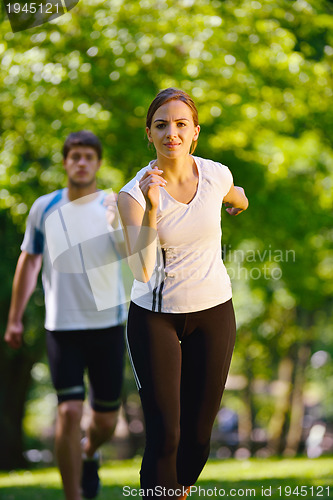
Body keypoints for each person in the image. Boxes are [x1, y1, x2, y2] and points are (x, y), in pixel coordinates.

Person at [118, 88, 249, 499]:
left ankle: (177, 491)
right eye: (161, 125)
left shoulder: (214, 174)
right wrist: (154, 209)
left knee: (197, 436)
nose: (171, 133)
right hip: (155, 317)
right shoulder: (132, 196)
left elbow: (233, 192)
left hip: (213, 312)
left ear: (195, 133)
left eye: (180, 125)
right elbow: (141, 269)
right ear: (149, 134)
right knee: (165, 433)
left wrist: (240, 200)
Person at [4, 131, 127, 500]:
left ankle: (89, 452)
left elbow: (133, 254)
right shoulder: (44, 207)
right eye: (75, 156)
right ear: (65, 162)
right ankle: (73, 495)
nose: (82, 162)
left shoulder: (113, 203)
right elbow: (29, 262)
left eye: (89, 156)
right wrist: (15, 317)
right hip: (62, 328)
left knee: (105, 421)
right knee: (69, 412)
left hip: (108, 325)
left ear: (98, 163)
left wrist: (118, 220)